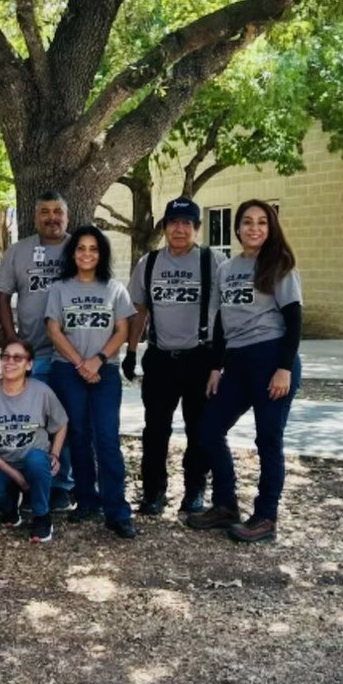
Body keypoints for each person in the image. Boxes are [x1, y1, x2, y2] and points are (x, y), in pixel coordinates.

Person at [186, 199, 302, 543]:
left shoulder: (280, 264)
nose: (254, 228)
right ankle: (225, 504)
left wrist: (284, 368)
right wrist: (216, 367)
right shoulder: (227, 268)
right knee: (209, 429)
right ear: (237, 228)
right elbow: (222, 322)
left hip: (271, 357)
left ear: (271, 228)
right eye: (248, 222)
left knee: (268, 439)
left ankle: (266, 517)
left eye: (262, 222)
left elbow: (294, 319)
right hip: (237, 361)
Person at [124, 197, 224, 517]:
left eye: (186, 223)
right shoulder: (149, 263)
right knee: (155, 429)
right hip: (160, 359)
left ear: (197, 228)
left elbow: (228, 312)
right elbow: (138, 309)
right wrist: (130, 351)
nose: (179, 229)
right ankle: (154, 492)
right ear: (165, 227)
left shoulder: (213, 261)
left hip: (200, 357)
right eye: (173, 223)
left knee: (199, 429)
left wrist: (219, 362)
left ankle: (194, 490)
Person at [46, 224, 137, 539]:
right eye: (81, 248)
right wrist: (79, 363)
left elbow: (123, 330)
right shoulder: (60, 288)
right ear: (73, 253)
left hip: (105, 371)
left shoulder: (114, 289)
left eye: (93, 249)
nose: (87, 254)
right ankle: (86, 500)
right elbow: (54, 330)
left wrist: (97, 360)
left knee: (107, 438)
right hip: (67, 369)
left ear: (102, 254)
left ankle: (117, 510)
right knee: (79, 435)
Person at [0, 190, 75, 511]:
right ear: (35, 216)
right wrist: (11, 336)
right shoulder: (19, 251)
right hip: (33, 354)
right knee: (31, 423)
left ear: (67, 216)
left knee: (64, 420)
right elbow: (2, 295)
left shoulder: (80, 248)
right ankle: (30, 483)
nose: (52, 218)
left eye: (58, 212)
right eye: (45, 212)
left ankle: (62, 485)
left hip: (70, 355)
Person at [0, 339, 69, 543]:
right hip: (2, 463)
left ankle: (42, 516)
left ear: (29, 365)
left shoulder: (41, 391)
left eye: (18, 358)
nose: (10, 362)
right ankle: (11, 501)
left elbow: (61, 423)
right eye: (5, 356)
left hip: (35, 462)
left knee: (36, 460)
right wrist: (15, 475)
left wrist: (55, 453)